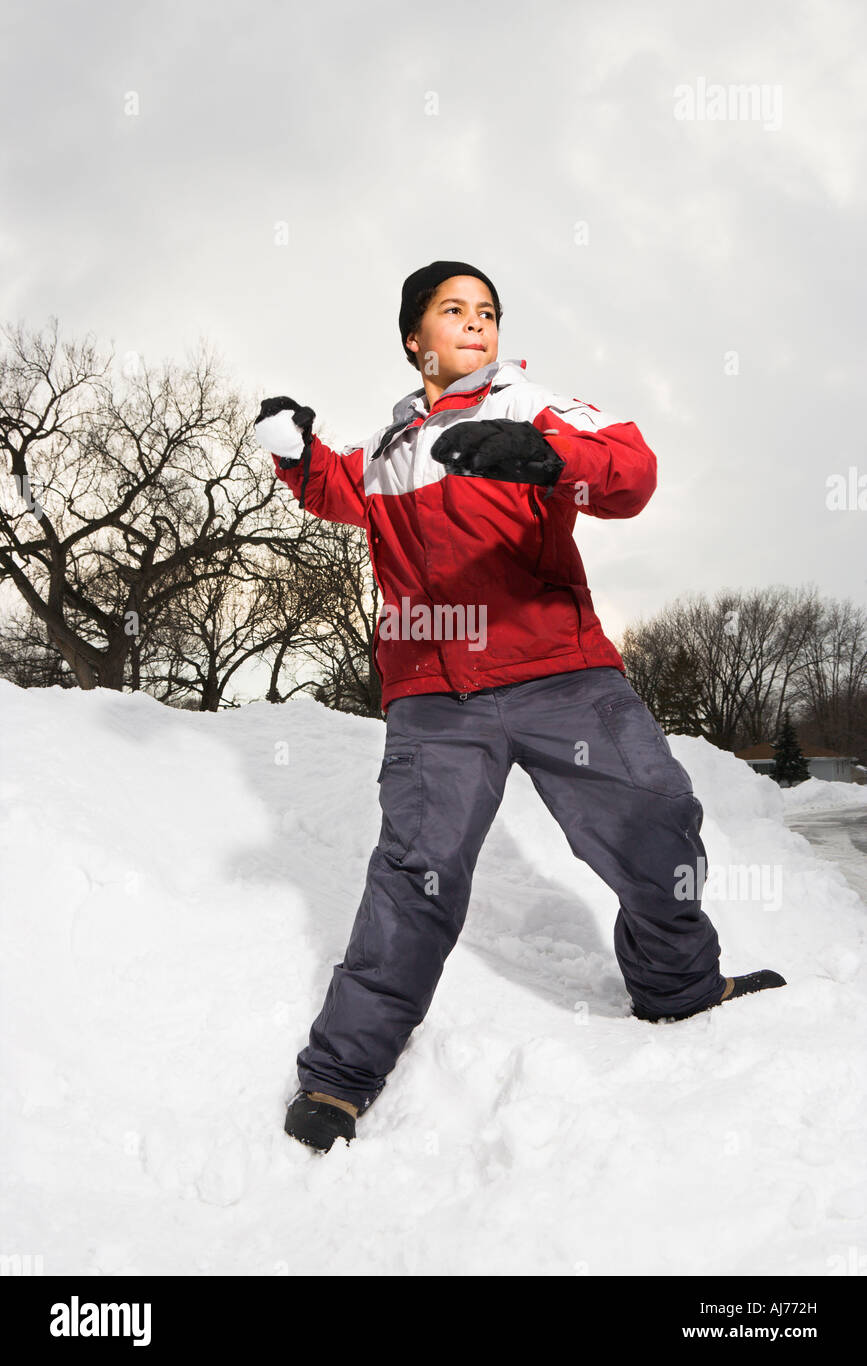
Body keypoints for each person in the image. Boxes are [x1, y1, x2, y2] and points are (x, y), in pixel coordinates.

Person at [253, 260, 785, 1154]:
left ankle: (678, 986)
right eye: (453, 311)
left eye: (488, 312)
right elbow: (335, 491)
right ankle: (341, 1077)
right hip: (434, 699)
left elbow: (630, 473)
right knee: (415, 873)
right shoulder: (387, 452)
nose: (476, 324)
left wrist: (547, 461)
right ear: (413, 340)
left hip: (558, 674)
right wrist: (294, 450)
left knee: (656, 828)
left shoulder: (529, 406)